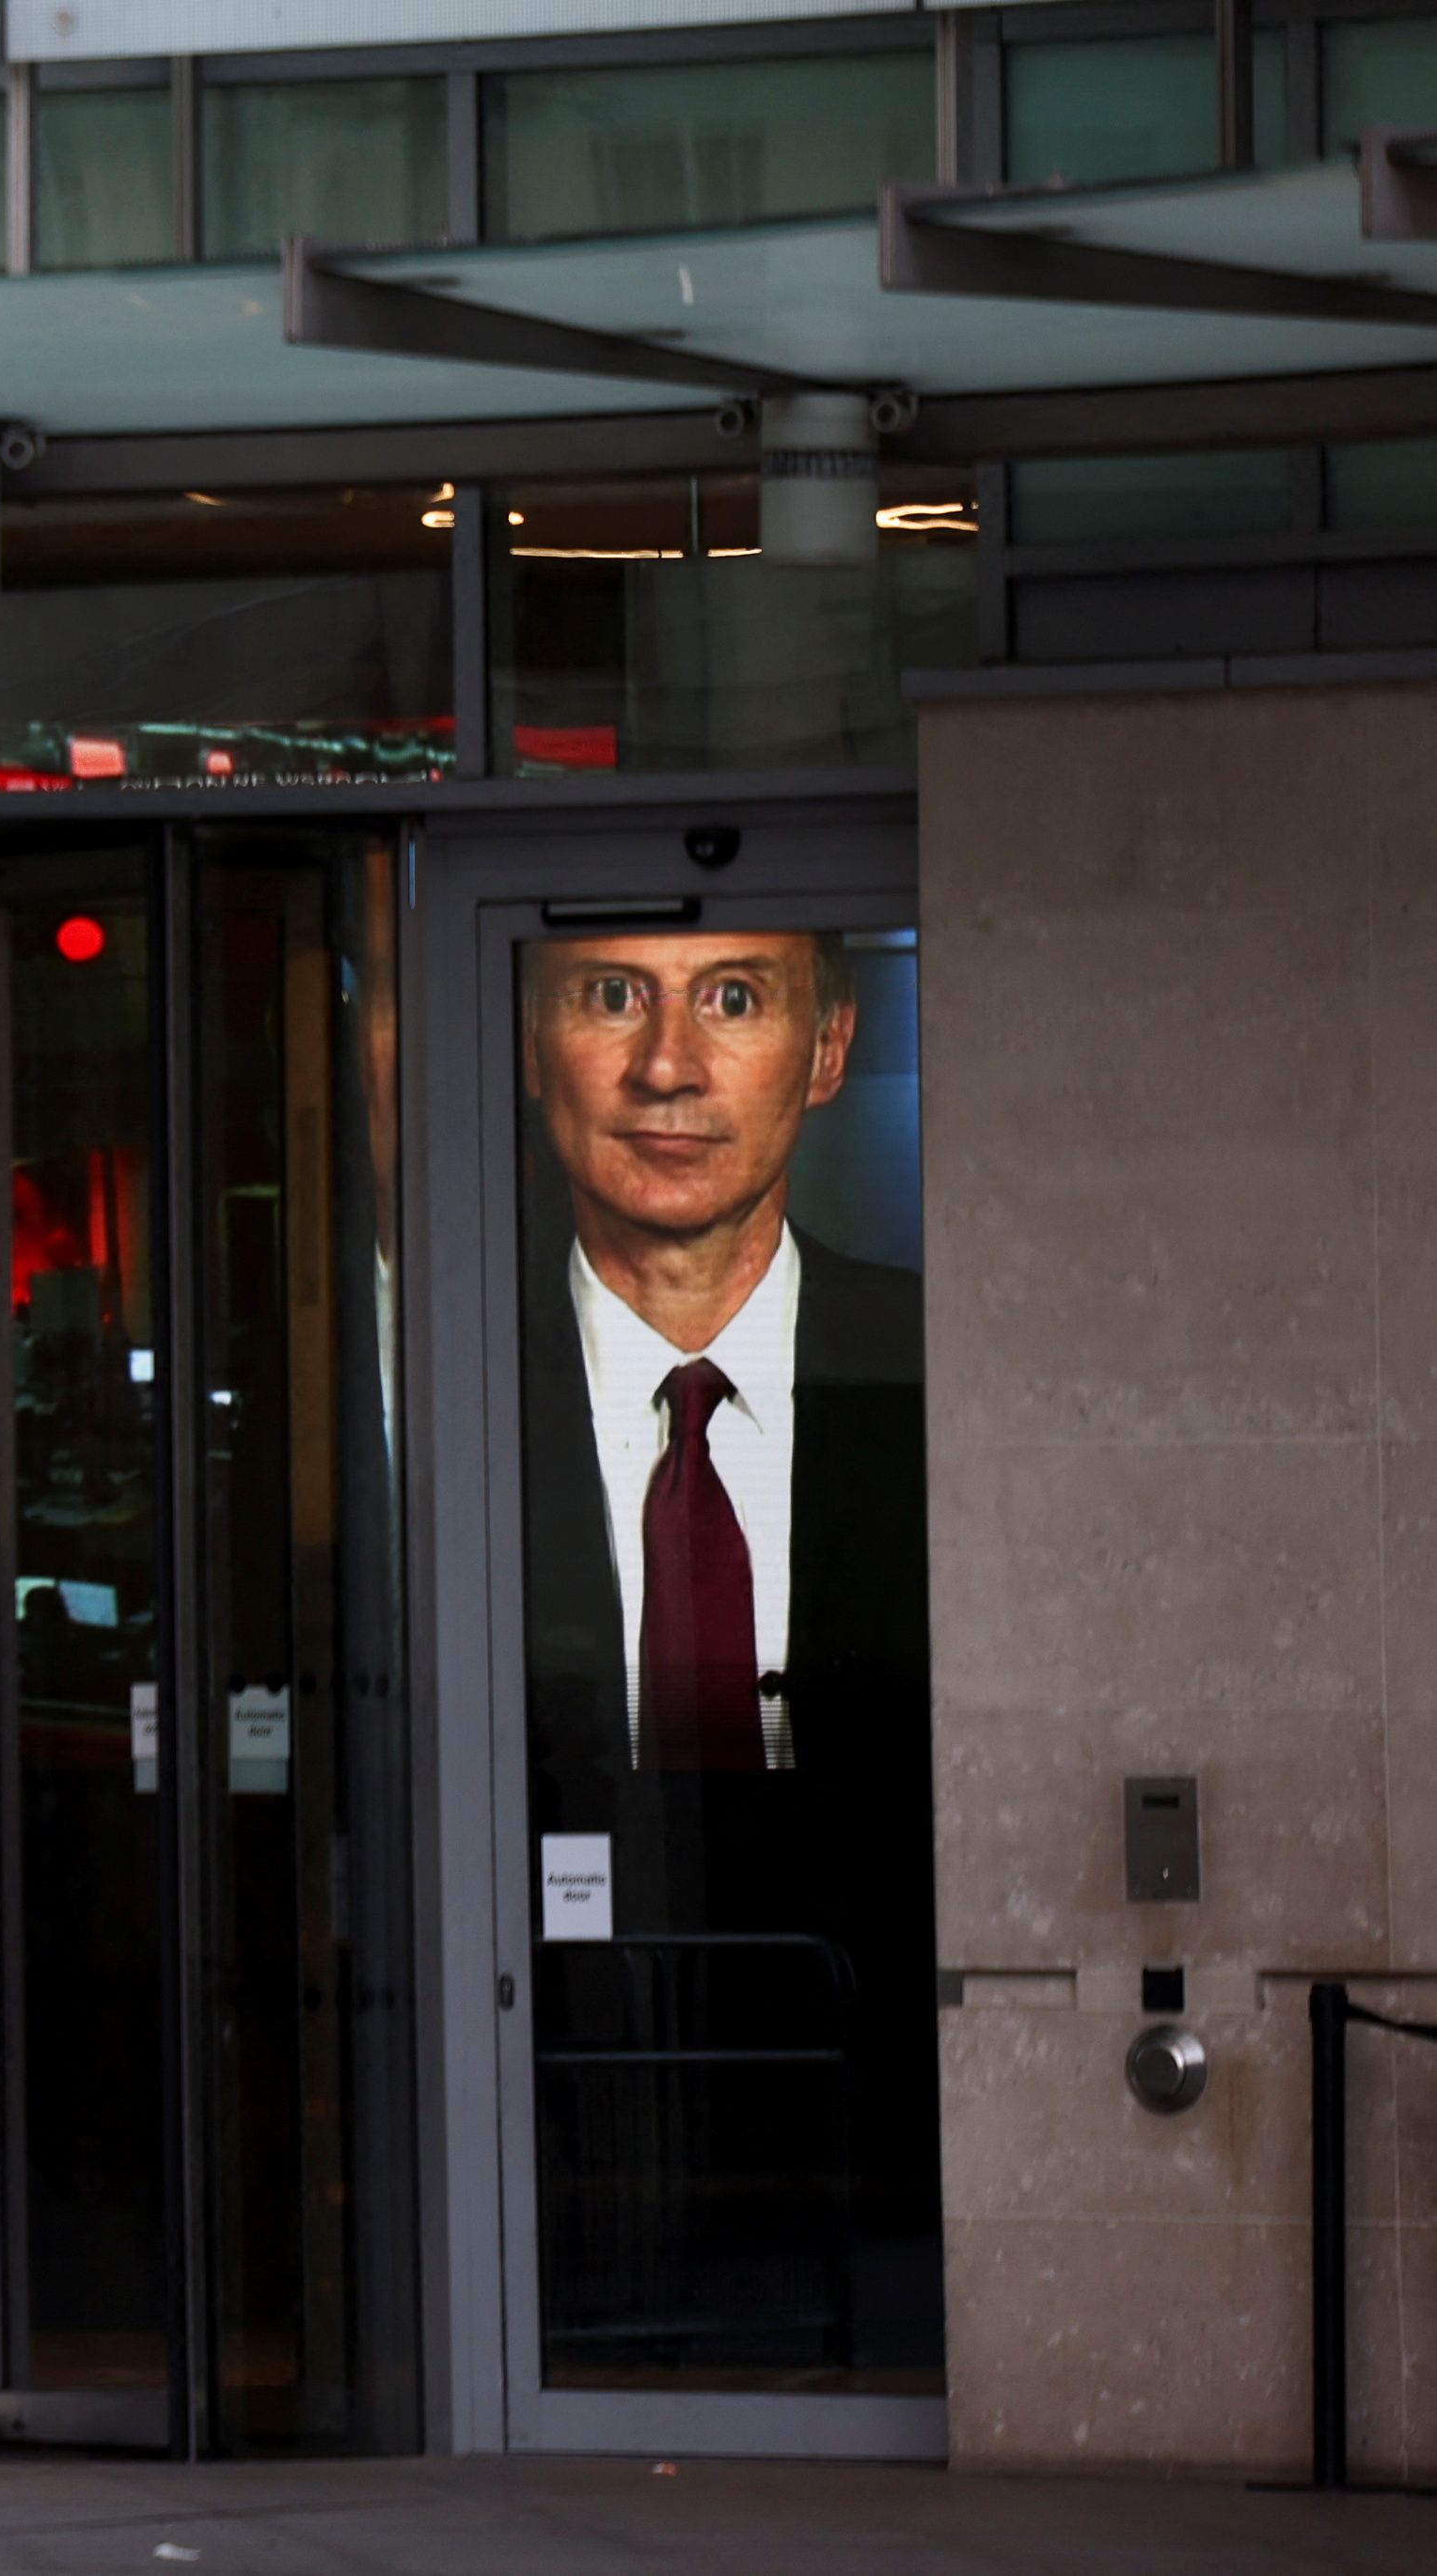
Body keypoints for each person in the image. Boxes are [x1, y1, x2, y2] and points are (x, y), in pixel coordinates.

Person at [512, 927, 934, 2360]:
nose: (668, 1067)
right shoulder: (452, 1380)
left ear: (828, 1049)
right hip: (558, 2115)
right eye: (611, 996)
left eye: (734, 999)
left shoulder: (942, 1362)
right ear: (530, 1046)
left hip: (877, 2151)